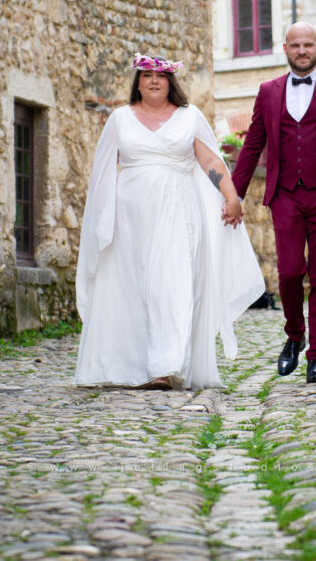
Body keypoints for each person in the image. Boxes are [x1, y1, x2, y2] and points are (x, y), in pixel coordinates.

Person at [75, 54, 265, 390]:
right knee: (129, 287)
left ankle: (165, 367)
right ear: (138, 82)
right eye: (146, 75)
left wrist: (231, 196)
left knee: (172, 283)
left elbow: (211, 161)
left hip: (178, 213)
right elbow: (102, 173)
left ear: (170, 82)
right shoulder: (119, 119)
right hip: (129, 219)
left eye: (160, 76)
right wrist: (103, 221)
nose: (153, 81)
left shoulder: (189, 117)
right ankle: (128, 365)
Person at [231, 22, 316, 384]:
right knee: (290, 270)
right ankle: (295, 334)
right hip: (285, 195)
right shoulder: (268, 92)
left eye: (308, 44)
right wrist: (234, 194)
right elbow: (253, 145)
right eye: (295, 45)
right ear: (285, 48)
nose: (302, 50)